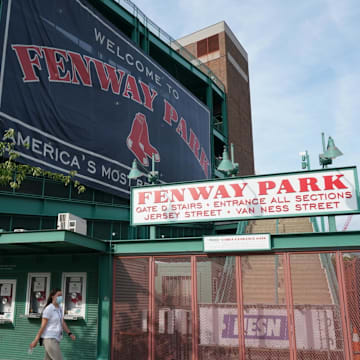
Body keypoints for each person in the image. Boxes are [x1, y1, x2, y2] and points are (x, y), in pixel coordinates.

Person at [30, 288, 76, 360]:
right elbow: (42, 327)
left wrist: (69, 333)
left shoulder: (60, 308)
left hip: (56, 338)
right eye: (58, 295)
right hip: (49, 339)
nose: (60, 297)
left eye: (61, 295)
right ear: (53, 296)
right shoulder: (49, 309)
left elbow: (62, 322)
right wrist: (36, 340)